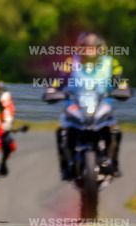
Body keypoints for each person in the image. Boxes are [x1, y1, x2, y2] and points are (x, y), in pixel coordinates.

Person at [42, 32, 130, 179]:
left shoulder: (110, 62)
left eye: (93, 48)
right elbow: (59, 79)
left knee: (115, 130)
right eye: (86, 48)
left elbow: (120, 80)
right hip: (75, 103)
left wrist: (123, 88)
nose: (89, 51)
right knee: (62, 130)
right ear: (80, 48)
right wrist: (52, 90)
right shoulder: (71, 62)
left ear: (100, 48)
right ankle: (66, 165)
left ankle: (112, 162)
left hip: (102, 102)